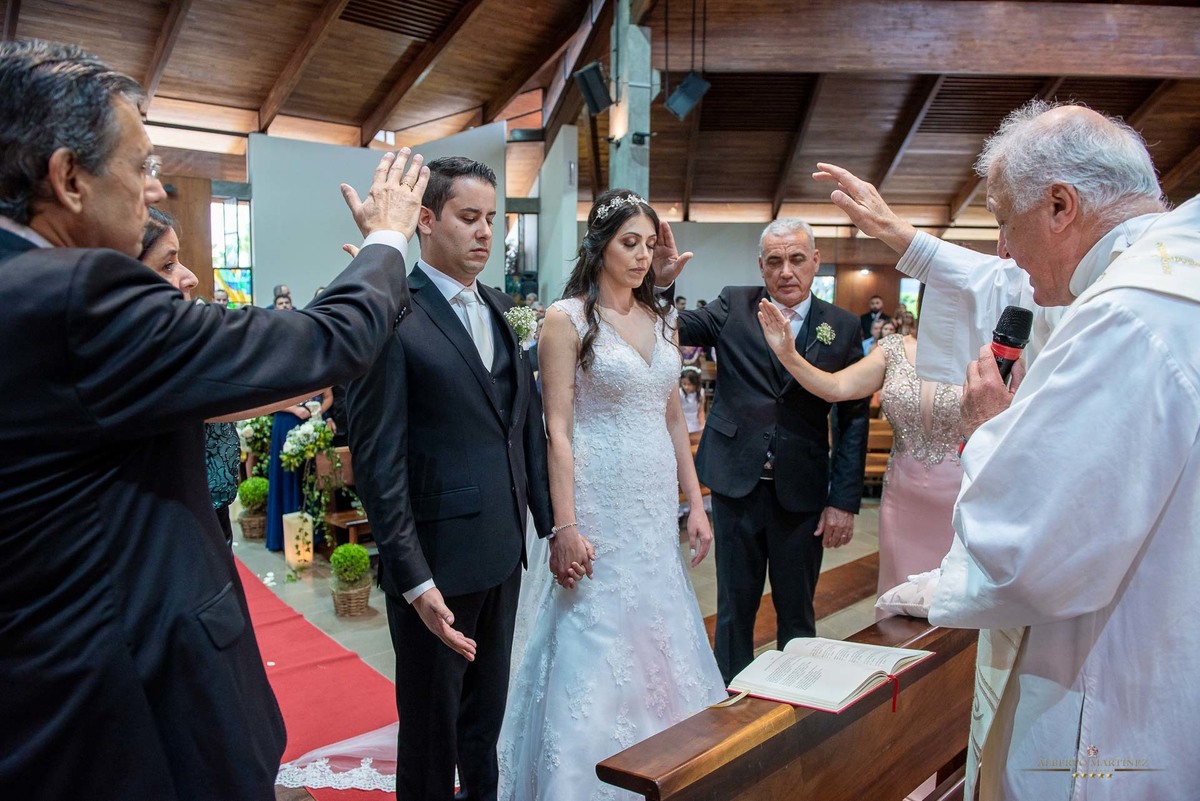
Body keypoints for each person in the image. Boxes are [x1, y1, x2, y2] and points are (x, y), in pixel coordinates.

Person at [0, 40, 429, 801]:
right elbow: (327, 340)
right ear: (68, 178)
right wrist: (388, 237)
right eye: (139, 166)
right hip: (130, 714)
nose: (155, 189)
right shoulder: (70, 297)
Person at [831, 102, 1197, 799]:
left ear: (1061, 205)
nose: (1003, 247)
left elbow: (1025, 557)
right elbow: (999, 281)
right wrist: (905, 238)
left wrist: (991, 428)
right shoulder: (1173, 279)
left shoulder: (1126, 314)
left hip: (1117, 698)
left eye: (1004, 219)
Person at [498, 189, 725, 800]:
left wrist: (695, 502)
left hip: (653, 502)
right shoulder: (565, 319)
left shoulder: (661, 319)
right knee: (593, 626)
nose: (642, 256)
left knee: (658, 621)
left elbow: (674, 417)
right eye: (630, 242)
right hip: (595, 493)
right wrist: (563, 525)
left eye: (650, 245)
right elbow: (558, 430)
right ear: (600, 245)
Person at [345, 156, 554, 801]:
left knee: (483, 725)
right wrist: (412, 577)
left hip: (500, 554)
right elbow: (379, 460)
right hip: (434, 566)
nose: (487, 232)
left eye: (492, 219)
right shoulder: (393, 310)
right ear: (426, 220)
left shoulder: (498, 306)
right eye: (470, 217)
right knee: (432, 737)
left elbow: (522, 426)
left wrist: (550, 523)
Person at [656, 218, 869, 683]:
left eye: (796, 259)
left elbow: (852, 421)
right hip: (737, 484)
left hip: (803, 490)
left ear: (815, 261)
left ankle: (794, 702)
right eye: (775, 261)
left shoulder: (842, 326)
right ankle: (728, 704)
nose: (786, 271)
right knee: (734, 607)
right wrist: (664, 285)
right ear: (761, 266)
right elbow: (674, 328)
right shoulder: (735, 304)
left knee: (797, 610)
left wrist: (843, 501)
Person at [757, 306, 961, 606]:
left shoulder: (996, 356)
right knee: (900, 594)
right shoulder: (894, 349)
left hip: (961, 497)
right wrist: (789, 355)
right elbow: (835, 387)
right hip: (903, 498)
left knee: (958, 597)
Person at [264, 387, 332, 552]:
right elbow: (269, 399)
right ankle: (287, 536)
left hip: (312, 424)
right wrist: (295, 409)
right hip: (287, 421)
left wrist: (319, 411)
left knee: (310, 477)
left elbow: (328, 396)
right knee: (288, 476)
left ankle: (314, 536)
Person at [679, 367, 707, 434]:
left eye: (689, 384)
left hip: (695, 421)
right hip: (682, 421)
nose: (686, 387)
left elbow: (701, 411)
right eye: (684, 384)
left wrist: (702, 426)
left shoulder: (701, 393)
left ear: (696, 383)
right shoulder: (680, 393)